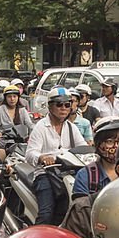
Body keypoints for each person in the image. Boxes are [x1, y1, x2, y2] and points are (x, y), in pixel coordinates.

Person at [26, 86, 87, 225]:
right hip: (46, 174)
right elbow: (30, 153)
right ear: (50, 106)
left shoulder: (72, 127)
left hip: (69, 174)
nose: (63, 108)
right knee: (46, 214)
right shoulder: (41, 127)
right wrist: (42, 158)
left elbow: (83, 147)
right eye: (59, 104)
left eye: (67, 104)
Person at [71, 117, 119, 199]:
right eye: (110, 141)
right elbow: (80, 208)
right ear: (98, 144)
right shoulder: (86, 175)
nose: (116, 146)